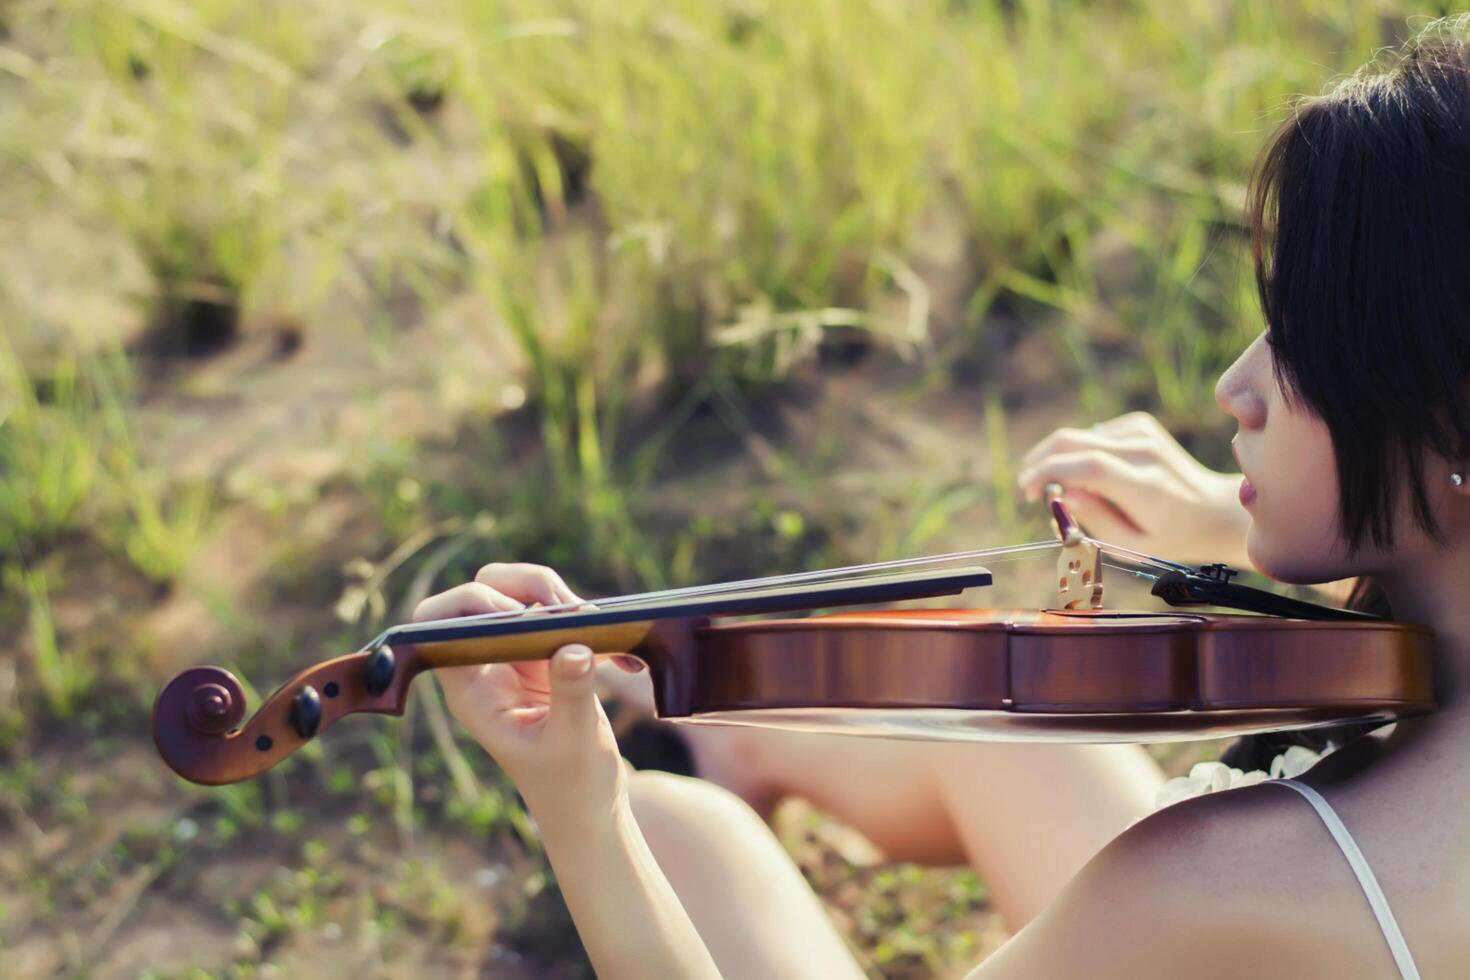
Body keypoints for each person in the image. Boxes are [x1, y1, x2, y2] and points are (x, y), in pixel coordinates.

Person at [422, 19, 1470, 978]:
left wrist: (580, 809)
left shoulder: (1205, 881)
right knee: (976, 717)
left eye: (1306, 340)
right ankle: (726, 733)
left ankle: (675, 761)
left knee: (672, 827)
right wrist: (1214, 518)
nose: (1235, 387)